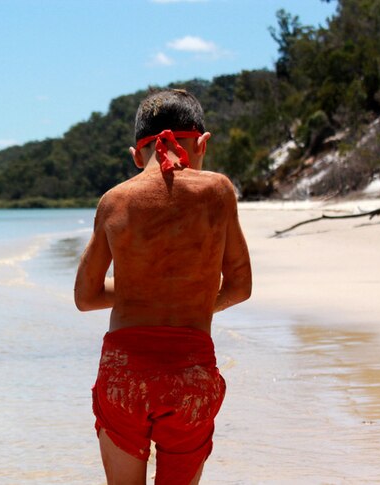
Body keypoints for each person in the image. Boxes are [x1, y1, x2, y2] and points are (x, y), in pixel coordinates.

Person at [74, 88, 252, 485]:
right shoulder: (219, 192)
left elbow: (84, 298)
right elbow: (240, 287)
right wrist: (192, 297)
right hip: (190, 374)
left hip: (125, 374)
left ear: (137, 156)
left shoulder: (114, 201)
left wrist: (142, 288)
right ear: (202, 143)